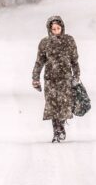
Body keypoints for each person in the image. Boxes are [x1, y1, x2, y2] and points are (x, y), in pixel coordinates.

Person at [32, 15, 80, 143]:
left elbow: (74, 61)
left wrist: (76, 76)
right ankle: (56, 132)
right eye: (53, 29)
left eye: (58, 28)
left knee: (64, 105)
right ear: (49, 29)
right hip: (50, 79)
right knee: (53, 106)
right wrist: (35, 78)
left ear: (62, 28)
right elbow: (39, 62)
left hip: (65, 79)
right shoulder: (45, 43)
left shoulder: (69, 41)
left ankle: (61, 127)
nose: (56, 31)